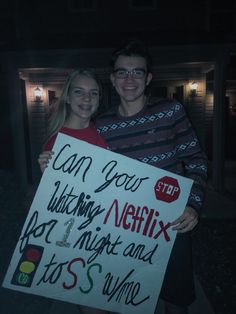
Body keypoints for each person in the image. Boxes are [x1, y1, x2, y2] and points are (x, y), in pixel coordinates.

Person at [95, 40, 208, 314]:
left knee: (175, 301)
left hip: (169, 224)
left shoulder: (170, 111)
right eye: (122, 72)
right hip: (122, 229)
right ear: (112, 79)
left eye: (137, 72)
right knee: (126, 300)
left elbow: (196, 160)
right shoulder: (101, 125)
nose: (129, 79)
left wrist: (193, 205)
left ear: (148, 78)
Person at [38, 68, 109, 314]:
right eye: (79, 92)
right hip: (76, 237)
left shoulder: (100, 133)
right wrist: (47, 176)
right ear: (67, 97)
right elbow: (53, 203)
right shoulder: (57, 143)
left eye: (93, 93)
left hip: (105, 232)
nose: (87, 99)